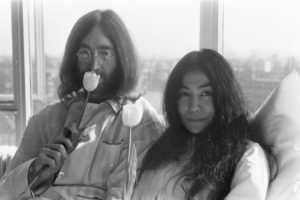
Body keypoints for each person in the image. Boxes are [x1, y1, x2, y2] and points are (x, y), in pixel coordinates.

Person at [0, 9, 163, 200]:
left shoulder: (142, 121)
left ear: (122, 59)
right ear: (73, 58)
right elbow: (4, 192)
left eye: (104, 53)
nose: (94, 65)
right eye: (85, 53)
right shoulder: (44, 120)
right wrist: (35, 171)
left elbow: (134, 193)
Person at [131, 49, 277, 200]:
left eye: (205, 94)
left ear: (224, 98)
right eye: (185, 94)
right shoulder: (158, 151)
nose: (194, 106)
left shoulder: (246, 156)